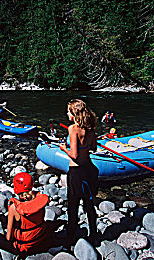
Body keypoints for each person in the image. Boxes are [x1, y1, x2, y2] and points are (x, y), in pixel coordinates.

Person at [0, 172, 62, 256]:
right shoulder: (40, 199)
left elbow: (8, 238)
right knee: (4, 218)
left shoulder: (14, 207)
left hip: (25, 248)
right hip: (41, 241)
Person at [59, 99, 99, 248]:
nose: (67, 113)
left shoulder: (73, 128)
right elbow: (93, 148)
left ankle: (70, 238)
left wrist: (64, 148)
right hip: (88, 168)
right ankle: (93, 235)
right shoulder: (91, 128)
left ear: (75, 113)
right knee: (89, 204)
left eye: (68, 111)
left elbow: (74, 155)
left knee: (73, 205)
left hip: (76, 172)